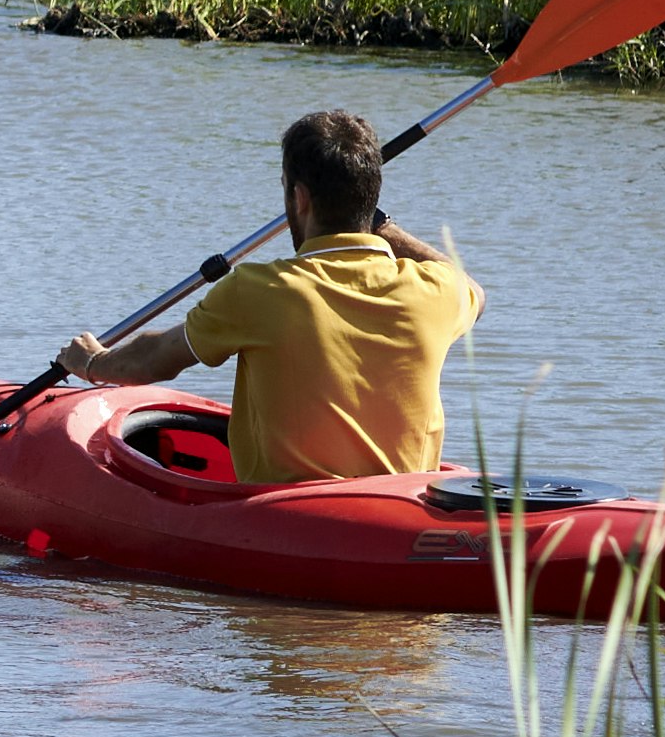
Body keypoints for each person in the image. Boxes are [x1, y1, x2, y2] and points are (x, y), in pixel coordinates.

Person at [66, 108, 487, 489]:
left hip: (293, 514)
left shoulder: (258, 289)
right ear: (370, 197)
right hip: (400, 507)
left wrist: (93, 362)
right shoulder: (435, 290)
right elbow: (474, 292)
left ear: (299, 198)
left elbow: (154, 360)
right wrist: (383, 226)